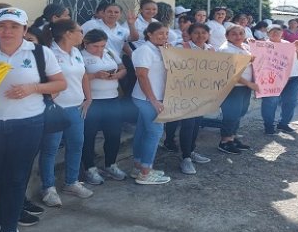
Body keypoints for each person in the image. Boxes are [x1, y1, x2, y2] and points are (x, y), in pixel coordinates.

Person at [0, 8, 66, 232]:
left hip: (27, 124)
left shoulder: (40, 53)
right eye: (2, 26)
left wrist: (33, 88)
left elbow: (60, 84)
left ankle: (10, 230)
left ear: (24, 29)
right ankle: (1, 225)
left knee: (17, 176)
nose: (7, 31)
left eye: (14, 26)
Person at [38, 20, 94, 207]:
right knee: (50, 150)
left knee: (76, 145)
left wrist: (88, 97)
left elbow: (84, 75)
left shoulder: (76, 52)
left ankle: (71, 182)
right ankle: (48, 188)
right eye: (80, 31)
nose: (82, 34)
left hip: (76, 108)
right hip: (57, 109)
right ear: (68, 34)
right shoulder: (49, 53)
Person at [164, 22, 214, 173]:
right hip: (183, 92)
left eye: (204, 33)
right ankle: (185, 158)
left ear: (208, 35)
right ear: (190, 35)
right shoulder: (181, 47)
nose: (200, 36)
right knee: (188, 124)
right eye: (196, 33)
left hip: (201, 92)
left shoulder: (211, 49)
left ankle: (191, 150)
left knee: (197, 123)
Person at [80, 29, 128, 185]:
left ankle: (111, 164)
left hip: (112, 98)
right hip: (92, 101)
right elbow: (77, 77)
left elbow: (123, 68)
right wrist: (95, 75)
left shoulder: (109, 52)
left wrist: (118, 74)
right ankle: (89, 168)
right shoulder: (81, 56)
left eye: (102, 45)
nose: (99, 49)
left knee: (114, 134)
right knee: (89, 136)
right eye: (95, 46)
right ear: (86, 44)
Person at [130, 21, 171, 185]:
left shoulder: (159, 49)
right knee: (154, 133)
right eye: (160, 33)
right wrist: (153, 100)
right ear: (149, 34)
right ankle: (146, 173)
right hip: (147, 98)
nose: (164, 36)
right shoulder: (145, 50)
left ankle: (139, 166)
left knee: (143, 131)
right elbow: (141, 75)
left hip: (153, 97)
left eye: (166, 33)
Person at [217, 24, 258, 154]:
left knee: (240, 112)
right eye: (234, 34)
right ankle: (225, 141)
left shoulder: (245, 47)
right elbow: (230, 72)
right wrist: (248, 83)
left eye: (241, 33)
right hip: (233, 86)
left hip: (245, 86)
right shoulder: (226, 49)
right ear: (227, 36)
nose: (238, 36)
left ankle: (233, 137)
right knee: (231, 113)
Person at [261, 25, 298, 135]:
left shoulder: (290, 45)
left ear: (282, 33)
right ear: (268, 33)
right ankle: (268, 125)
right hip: (271, 78)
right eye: (272, 31)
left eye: (278, 31)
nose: (276, 33)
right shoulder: (262, 45)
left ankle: (283, 123)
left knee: (291, 102)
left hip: (292, 77)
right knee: (270, 102)